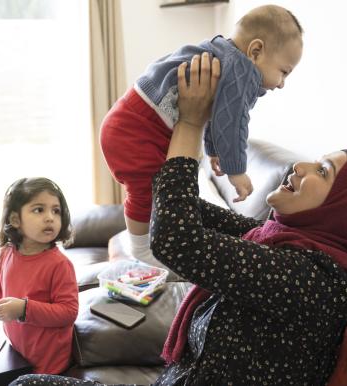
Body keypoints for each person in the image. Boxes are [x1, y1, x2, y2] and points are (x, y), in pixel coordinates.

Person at [9, 54, 347, 385]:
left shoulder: (308, 280)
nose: (301, 165)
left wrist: (191, 126)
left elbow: (177, 240)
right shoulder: (272, 239)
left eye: (324, 171)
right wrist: (149, 151)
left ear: (342, 215)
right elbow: (185, 210)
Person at [100, 4, 304, 269]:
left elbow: (217, 115)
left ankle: (142, 246)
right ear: (255, 51)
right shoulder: (242, 70)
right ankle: (140, 249)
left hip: (130, 118)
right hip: (138, 127)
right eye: (284, 71)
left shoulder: (223, 55)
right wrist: (236, 171)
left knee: (154, 186)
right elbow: (234, 123)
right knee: (146, 188)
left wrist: (213, 150)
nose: (281, 83)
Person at [0, 177, 79, 374]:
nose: (50, 217)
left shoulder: (60, 265)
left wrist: (24, 309)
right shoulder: (6, 253)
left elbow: (68, 312)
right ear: (15, 220)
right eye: (39, 209)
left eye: (56, 211)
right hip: (17, 352)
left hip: (49, 364)